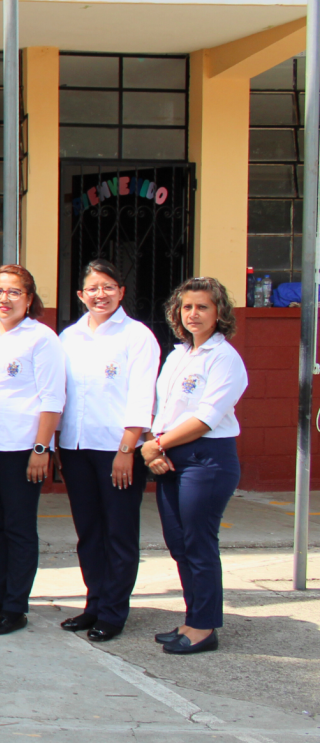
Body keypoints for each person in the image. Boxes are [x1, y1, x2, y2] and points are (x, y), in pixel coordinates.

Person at [141, 277, 248, 655]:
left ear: (219, 312)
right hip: (170, 454)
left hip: (207, 459)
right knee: (179, 543)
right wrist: (155, 449)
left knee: (199, 543)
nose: (193, 314)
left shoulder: (225, 358)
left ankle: (204, 628)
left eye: (203, 307)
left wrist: (156, 445)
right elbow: (163, 410)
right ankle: (192, 618)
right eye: (187, 307)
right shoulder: (179, 355)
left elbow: (205, 419)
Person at [0, 265, 66, 637]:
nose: (4, 299)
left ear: (29, 299)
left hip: (21, 449)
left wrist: (41, 448)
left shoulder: (42, 338)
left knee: (18, 529)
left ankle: (15, 607)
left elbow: (52, 398)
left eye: (14, 292)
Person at [57, 259, 160, 643]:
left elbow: (142, 397)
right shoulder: (69, 337)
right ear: (81, 295)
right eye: (93, 288)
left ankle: (114, 612)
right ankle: (94, 603)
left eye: (108, 287)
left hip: (118, 449)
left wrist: (127, 448)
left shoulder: (138, 336)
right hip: (76, 447)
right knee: (89, 532)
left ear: (121, 292)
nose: (100, 295)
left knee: (119, 532)